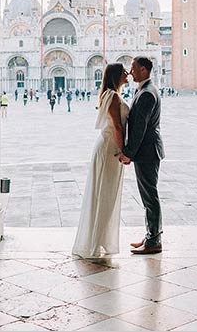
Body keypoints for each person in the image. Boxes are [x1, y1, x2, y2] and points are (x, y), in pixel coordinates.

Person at [72, 63, 129, 258]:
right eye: (124, 72)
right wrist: (123, 151)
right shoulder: (112, 96)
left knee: (105, 194)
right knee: (105, 194)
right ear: (116, 76)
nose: (127, 73)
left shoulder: (108, 94)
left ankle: (101, 238)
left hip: (106, 146)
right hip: (110, 148)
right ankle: (95, 241)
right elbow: (118, 127)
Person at [117, 56, 164, 255]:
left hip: (147, 151)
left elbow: (139, 128)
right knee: (147, 196)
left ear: (144, 69)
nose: (131, 71)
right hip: (147, 151)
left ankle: (154, 240)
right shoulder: (144, 90)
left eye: (134, 68)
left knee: (150, 196)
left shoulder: (146, 94)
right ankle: (150, 235)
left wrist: (128, 153)